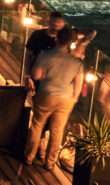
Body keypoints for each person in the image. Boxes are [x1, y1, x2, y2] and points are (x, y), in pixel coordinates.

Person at [25, 28, 86, 171]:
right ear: (71, 42)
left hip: (46, 94)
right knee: (57, 130)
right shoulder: (76, 61)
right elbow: (78, 83)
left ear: (56, 38)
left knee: (37, 125)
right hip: (66, 99)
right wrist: (74, 98)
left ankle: (29, 157)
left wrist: (45, 75)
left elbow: (36, 75)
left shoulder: (45, 55)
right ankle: (50, 162)